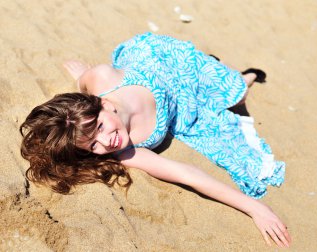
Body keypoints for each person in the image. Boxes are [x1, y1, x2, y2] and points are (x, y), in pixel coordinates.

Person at [20, 33, 291, 247]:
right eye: (93, 145)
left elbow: (84, 86)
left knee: (236, 91)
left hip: (161, 58)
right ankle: (240, 73)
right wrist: (255, 208)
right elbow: (187, 174)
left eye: (100, 126)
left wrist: (81, 75)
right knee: (235, 96)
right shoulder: (124, 151)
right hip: (184, 102)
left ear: (103, 104)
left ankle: (218, 68)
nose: (107, 141)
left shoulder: (102, 76)